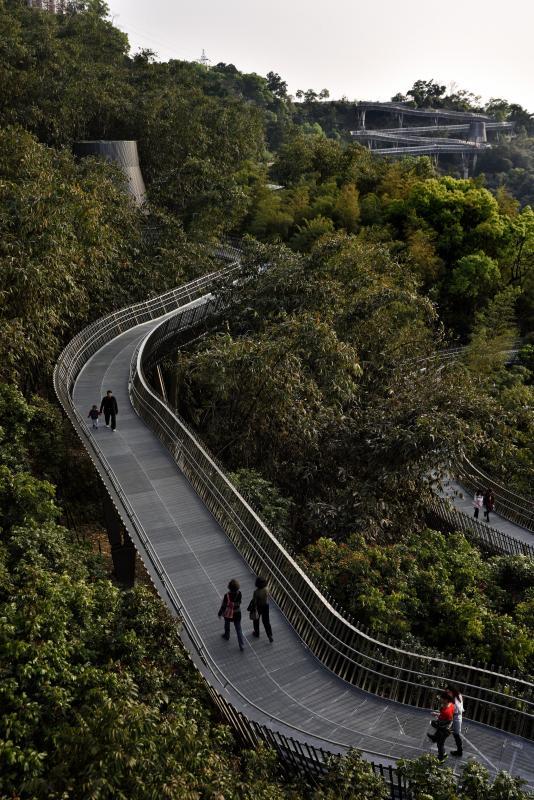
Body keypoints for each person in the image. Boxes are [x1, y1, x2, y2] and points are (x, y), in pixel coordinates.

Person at [427, 691, 455, 761]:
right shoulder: (450, 705)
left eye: (442, 698)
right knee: (440, 739)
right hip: (448, 725)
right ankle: (435, 739)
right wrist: (437, 714)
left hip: (446, 729)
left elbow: (442, 723)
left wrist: (435, 722)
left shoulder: (446, 712)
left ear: (446, 700)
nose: (440, 699)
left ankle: (441, 758)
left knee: (440, 744)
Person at [218, 579, 245, 651]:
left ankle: (227, 635)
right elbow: (239, 602)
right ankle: (241, 645)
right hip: (237, 613)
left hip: (228, 614)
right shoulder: (239, 593)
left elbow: (223, 606)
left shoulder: (227, 596)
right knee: (238, 629)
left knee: (227, 624)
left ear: (229, 587)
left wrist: (220, 613)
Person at [248, 576, 273, 643]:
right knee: (266, 621)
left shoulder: (256, 592)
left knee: (256, 620)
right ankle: (269, 635)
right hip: (266, 606)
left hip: (258, 607)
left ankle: (257, 633)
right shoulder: (267, 589)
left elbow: (254, 601)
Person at [446, 686, 464, 757]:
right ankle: (459, 751)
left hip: (456, 717)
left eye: (448, 692)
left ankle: (460, 751)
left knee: (456, 734)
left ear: (452, 691)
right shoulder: (457, 696)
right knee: (450, 731)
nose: (447, 694)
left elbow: (457, 709)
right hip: (455, 716)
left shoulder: (456, 697)